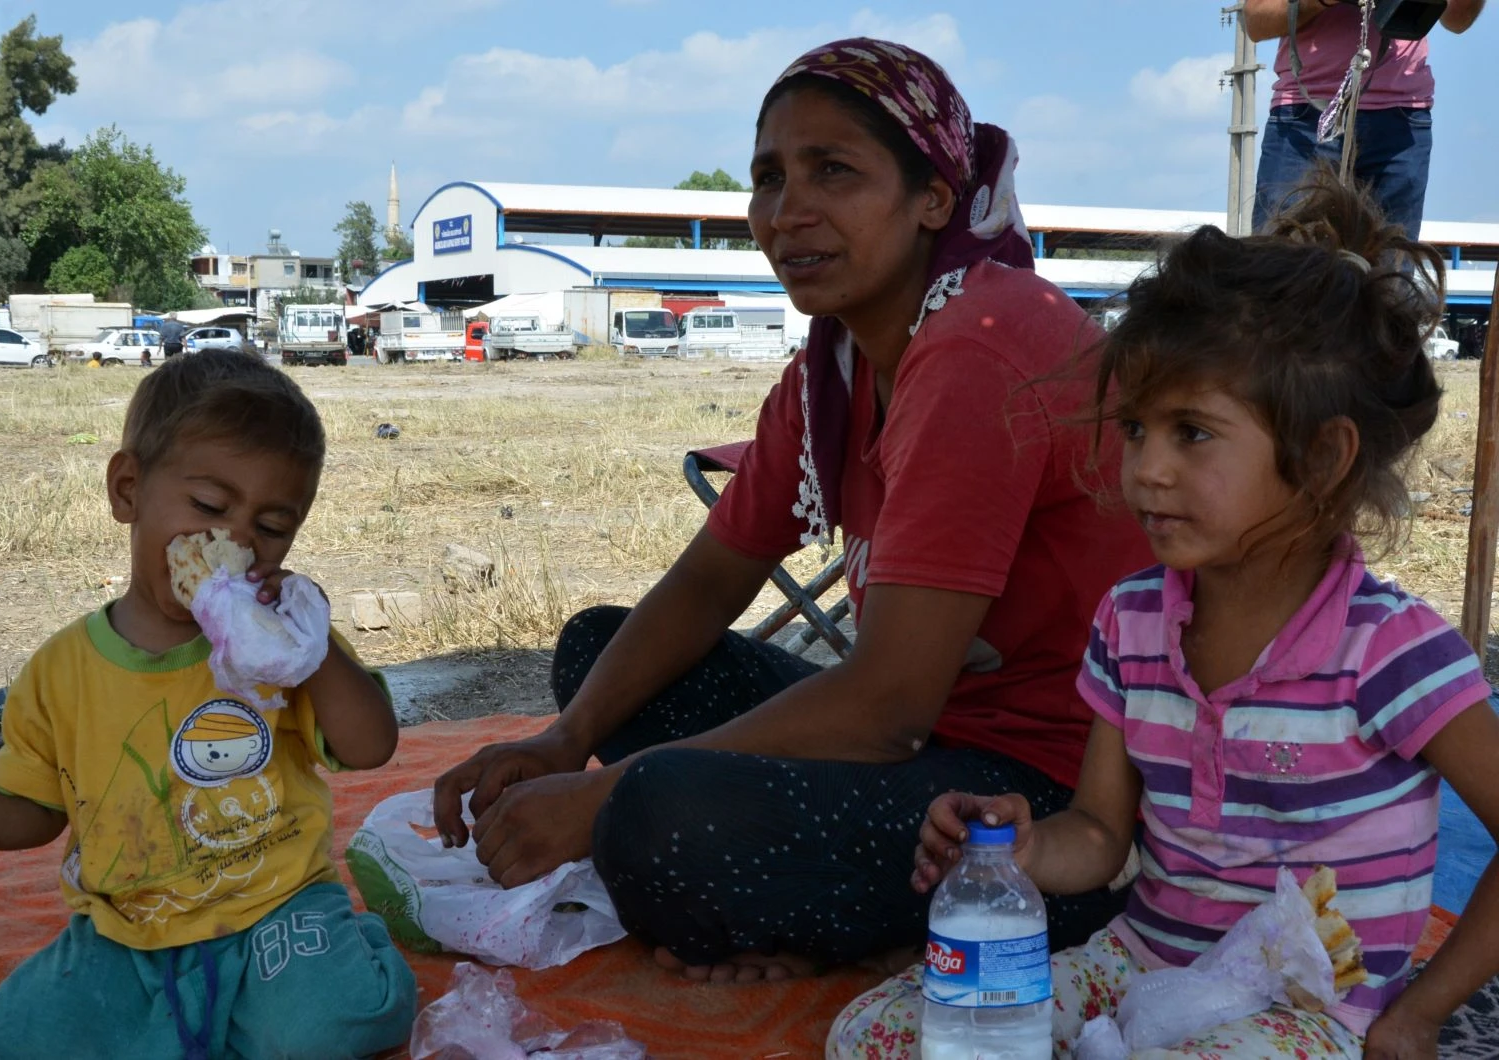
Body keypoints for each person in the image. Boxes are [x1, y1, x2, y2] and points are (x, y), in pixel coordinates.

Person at [432, 37, 1152, 983]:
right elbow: (708, 580)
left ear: (933, 198)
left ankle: (1001, 927)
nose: (787, 212)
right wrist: (564, 743)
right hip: (939, 745)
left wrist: (603, 797)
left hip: (1059, 803)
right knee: (596, 652)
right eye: (768, 177)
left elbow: (888, 707)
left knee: (660, 821)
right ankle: (822, 922)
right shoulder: (836, 365)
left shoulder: (980, 347)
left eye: (834, 172)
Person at [829, 171, 1499, 1059]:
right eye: (1136, 427)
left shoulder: (1392, 650)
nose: (1145, 468)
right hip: (1142, 964)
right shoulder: (1131, 621)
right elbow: (1104, 834)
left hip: (1306, 1009)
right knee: (872, 1034)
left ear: (1325, 457)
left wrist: (1418, 1012)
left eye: (1192, 432)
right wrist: (1020, 850)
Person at [0, 350, 418, 1058]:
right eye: (208, 507)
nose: (235, 542)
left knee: (332, 1029)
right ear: (127, 490)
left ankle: (350, 944)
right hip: (129, 926)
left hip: (275, 905)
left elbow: (370, 747)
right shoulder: (61, 672)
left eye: (271, 526)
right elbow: (36, 810)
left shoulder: (288, 648)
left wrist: (311, 645)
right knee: (13, 1039)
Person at [1246, 0, 1485, 238]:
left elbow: (1458, 19)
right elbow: (1256, 22)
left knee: (1390, 270)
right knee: (1283, 264)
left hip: (1400, 120)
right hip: (1304, 116)